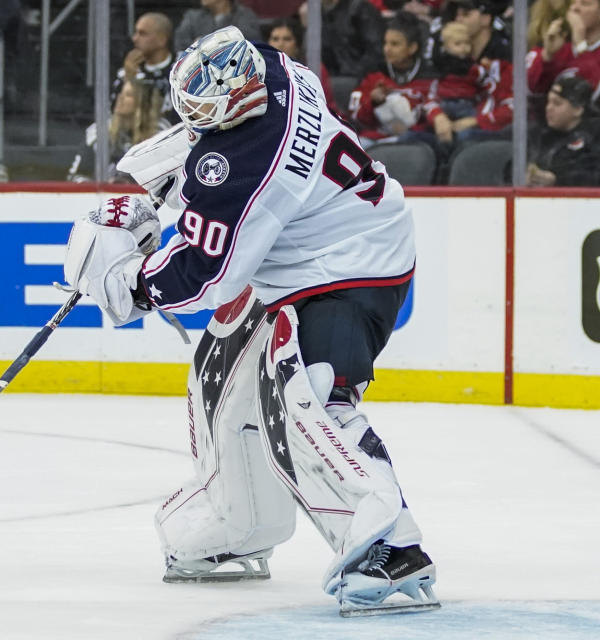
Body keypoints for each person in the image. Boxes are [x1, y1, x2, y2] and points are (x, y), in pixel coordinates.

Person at [62, 26, 438, 615]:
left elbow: (210, 277)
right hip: (304, 249)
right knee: (221, 370)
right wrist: (175, 186)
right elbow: (211, 153)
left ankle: (390, 546)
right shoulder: (271, 67)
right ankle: (236, 524)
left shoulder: (252, 164)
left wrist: (133, 282)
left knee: (313, 394)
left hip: (356, 262)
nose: (198, 118)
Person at [348, 12, 436, 146]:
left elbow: (435, 122)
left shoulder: (429, 77)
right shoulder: (374, 74)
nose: (387, 49)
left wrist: (409, 130)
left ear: (412, 48)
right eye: (385, 43)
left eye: (395, 44)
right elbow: (356, 119)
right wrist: (372, 102)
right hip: (375, 140)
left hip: (414, 143)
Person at [424, 21, 513, 146]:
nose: (464, 48)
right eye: (458, 44)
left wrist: (476, 119)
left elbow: (486, 86)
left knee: (464, 136)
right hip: (444, 105)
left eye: (467, 43)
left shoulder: (475, 69)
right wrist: (437, 115)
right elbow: (431, 95)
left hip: (468, 106)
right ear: (445, 46)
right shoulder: (440, 68)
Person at [66, 79, 172, 183]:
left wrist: (130, 183)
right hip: (106, 198)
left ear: (142, 103)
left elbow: (167, 176)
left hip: (145, 197)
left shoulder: (160, 131)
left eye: (128, 95)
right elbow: (77, 176)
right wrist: (96, 189)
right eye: (120, 92)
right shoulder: (100, 131)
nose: (120, 97)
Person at [527, 74, 600, 186]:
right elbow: (511, 168)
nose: (549, 108)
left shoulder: (594, 136)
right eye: (548, 102)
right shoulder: (541, 135)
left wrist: (558, 181)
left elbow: (595, 177)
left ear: (578, 109)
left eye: (557, 103)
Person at [265, 17, 339, 115]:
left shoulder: (314, 69)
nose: (280, 44)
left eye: (287, 39)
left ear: (297, 46)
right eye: (275, 39)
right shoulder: (260, 70)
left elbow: (327, 107)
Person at [528, 0, 600, 98]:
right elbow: (535, 89)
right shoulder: (561, 48)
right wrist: (548, 55)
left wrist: (580, 43)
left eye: (585, 3)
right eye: (573, 3)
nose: (575, 8)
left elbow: (593, 91)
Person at [113, 12, 176, 123]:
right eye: (135, 32)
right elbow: (114, 111)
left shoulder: (180, 67)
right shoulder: (128, 70)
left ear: (162, 40)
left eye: (142, 34)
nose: (134, 39)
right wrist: (129, 78)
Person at [174, 0, 261, 53]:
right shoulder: (192, 17)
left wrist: (205, 43)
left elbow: (251, 42)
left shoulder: (245, 15)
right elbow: (180, 44)